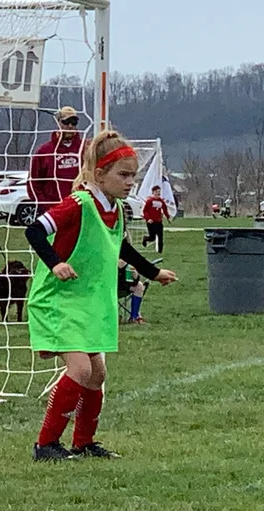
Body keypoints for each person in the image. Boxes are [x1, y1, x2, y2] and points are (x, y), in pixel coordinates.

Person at [24, 129, 178, 461]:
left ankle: (84, 443)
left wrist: (154, 272)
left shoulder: (118, 210)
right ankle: (45, 445)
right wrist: (56, 264)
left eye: (133, 176)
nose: (130, 183)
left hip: (89, 301)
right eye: (123, 175)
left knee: (98, 374)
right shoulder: (78, 204)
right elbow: (33, 230)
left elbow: (121, 245)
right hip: (58, 299)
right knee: (80, 369)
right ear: (99, 175)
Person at [27, 106, 86, 218]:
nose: (70, 126)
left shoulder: (86, 149)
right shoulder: (44, 152)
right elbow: (33, 183)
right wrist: (47, 207)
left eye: (73, 122)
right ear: (58, 122)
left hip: (82, 210)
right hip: (54, 212)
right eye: (66, 122)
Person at [141, 184, 171, 252]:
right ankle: (145, 238)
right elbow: (145, 211)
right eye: (157, 191)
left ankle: (160, 251)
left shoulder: (161, 201)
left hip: (159, 222)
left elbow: (165, 209)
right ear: (153, 192)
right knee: (152, 237)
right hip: (151, 222)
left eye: (159, 191)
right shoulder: (149, 201)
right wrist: (148, 219)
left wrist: (168, 217)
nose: (158, 193)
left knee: (160, 237)